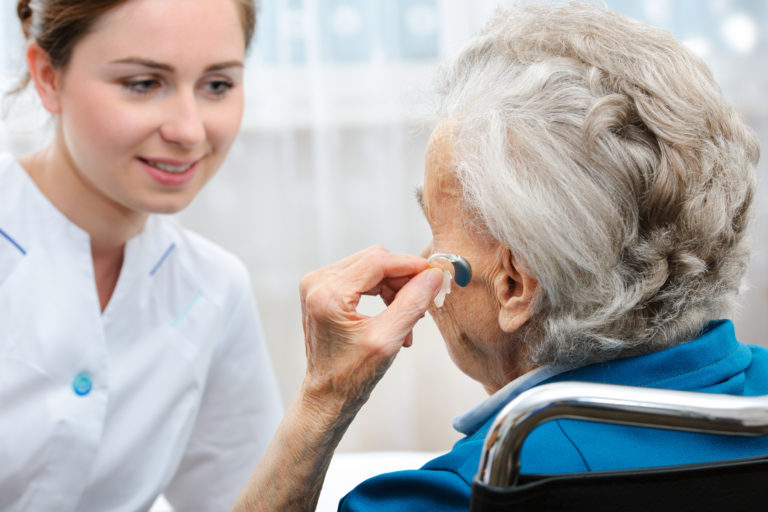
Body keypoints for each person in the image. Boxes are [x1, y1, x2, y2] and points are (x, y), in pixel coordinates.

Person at [229, 3, 768, 511]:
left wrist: (323, 397)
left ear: (512, 286)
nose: (421, 258)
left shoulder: (464, 492)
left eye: (436, 233)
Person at [0, 1, 283, 510]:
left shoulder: (213, 290)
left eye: (217, 85)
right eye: (143, 83)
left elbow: (241, 499)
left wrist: (326, 401)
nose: (190, 131)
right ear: (47, 77)